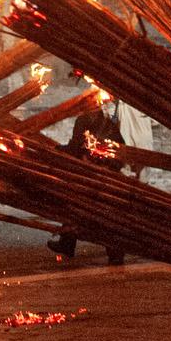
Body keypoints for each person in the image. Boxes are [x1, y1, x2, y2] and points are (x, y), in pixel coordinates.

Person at [48, 98, 127, 264]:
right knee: (105, 213)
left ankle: (68, 244)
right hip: (107, 176)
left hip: (93, 175)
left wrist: (57, 151)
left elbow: (76, 147)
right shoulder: (107, 122)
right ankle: (113, 253)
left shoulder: (84, 121)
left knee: (77, 207)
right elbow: (121, 151)